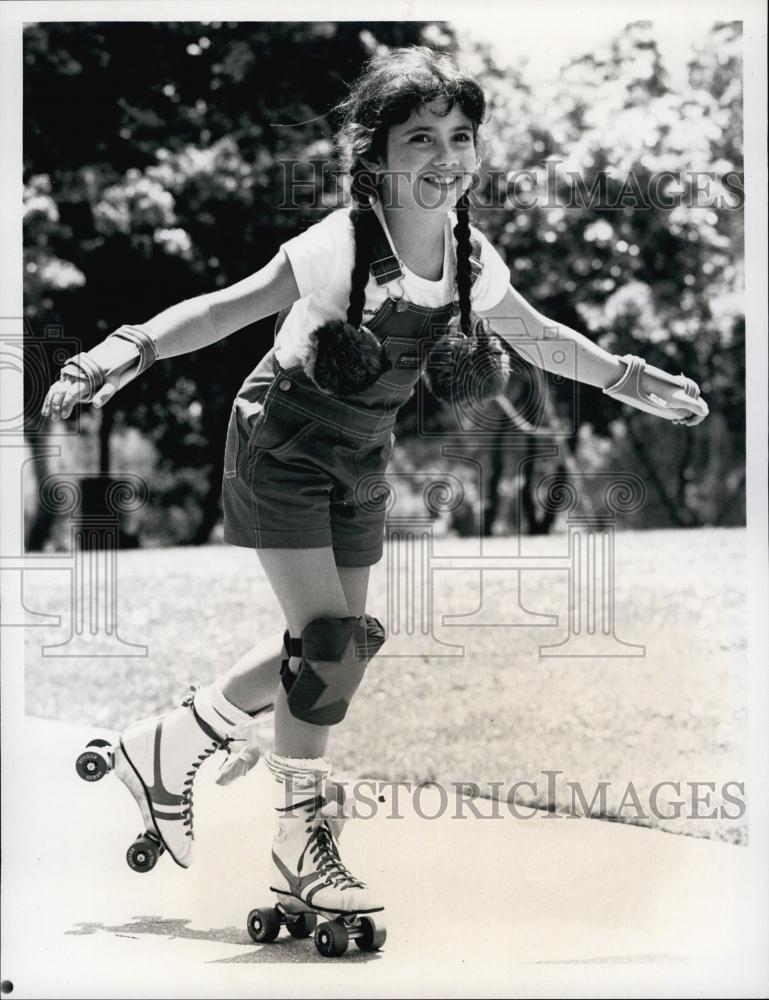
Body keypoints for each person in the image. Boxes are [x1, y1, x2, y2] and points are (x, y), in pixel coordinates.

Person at [43, 46, 708, 949]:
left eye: (460, 137)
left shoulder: (471, 258)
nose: (445, 155)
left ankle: (167, 744)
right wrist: (121, 351)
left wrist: (631, 377)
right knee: (326, 646)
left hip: (359, 456)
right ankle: (300, 840)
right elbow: (224, 308)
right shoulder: (340, 242)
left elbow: (540, 338)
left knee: (340, 646)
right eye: (421, 137)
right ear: (375, 154)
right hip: (278, 443)